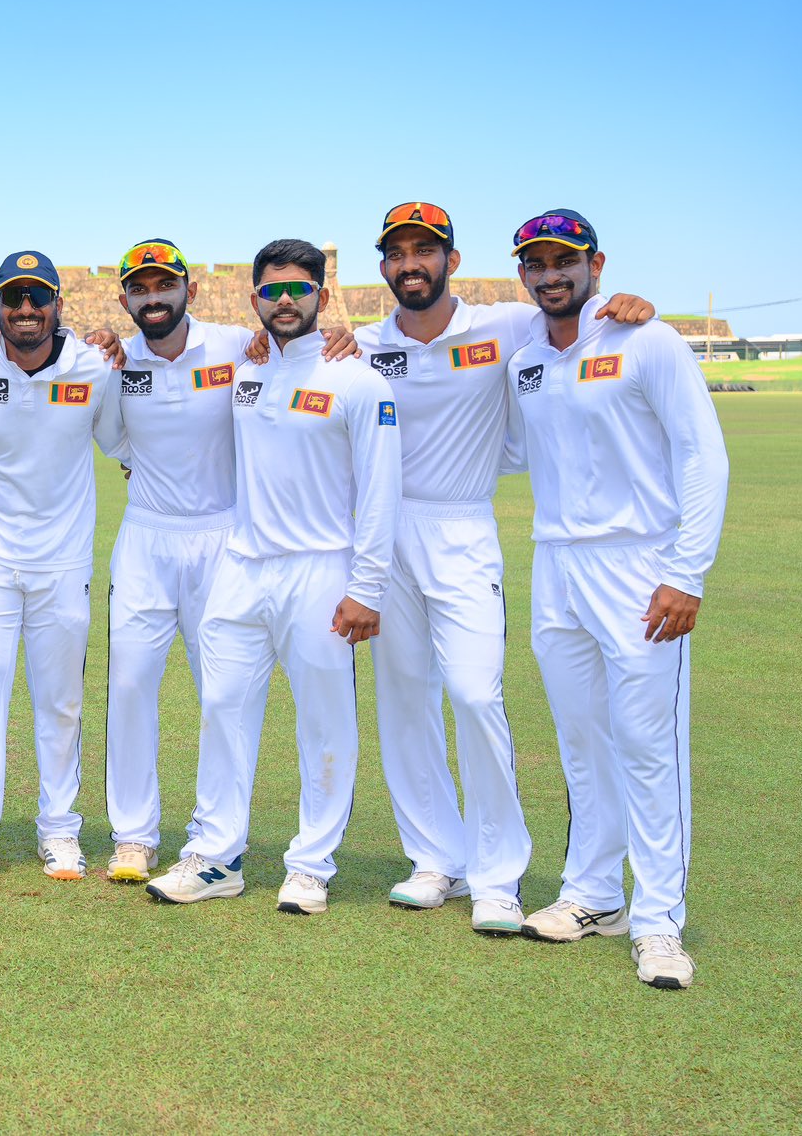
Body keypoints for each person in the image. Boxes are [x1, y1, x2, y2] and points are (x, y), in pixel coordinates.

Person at [357, 202, 651, 932]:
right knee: (404, 700)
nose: (411, 264)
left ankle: (497, 874)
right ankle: (436, 859)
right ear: (385, 267)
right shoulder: (361, 344)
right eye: (398, 253)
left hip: (462, 529)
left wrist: (626, 306)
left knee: (473, 693)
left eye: (425, 250)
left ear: (451, 261)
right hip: (383, 533)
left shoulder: (505, 326)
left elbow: (575, 320)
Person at [505, 210, 727, 989]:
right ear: (523, 274)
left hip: (640, 564)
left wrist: (687, 572)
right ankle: (596, 895)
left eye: (564, 260)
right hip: (557, 567)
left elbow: (702, 453)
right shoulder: (527, 358)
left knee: (646, 743)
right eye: (536, 264)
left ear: (595, 264)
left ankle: (659, 921)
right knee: (582, 741)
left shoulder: (647, 340)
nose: (550, 275)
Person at [146, 238, 400, 915]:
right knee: (222, 709)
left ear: (322, 294)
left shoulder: (358, 380)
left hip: (321, 571)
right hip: (242, 566)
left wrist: (366, 588)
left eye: (299, 289)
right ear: (254, 298)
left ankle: (311, 866)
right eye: (272, 291)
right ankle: (216, 856)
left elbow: (381, 493)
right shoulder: (246, 370)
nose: (285, 301)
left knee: (324, 722)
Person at [0, 251, 127, 891]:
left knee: (60, 703)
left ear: (58, 306)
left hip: (60, 563)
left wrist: (117, 343)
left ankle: (59, 829)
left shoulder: (94, 367)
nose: (26, 309)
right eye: (13, 298)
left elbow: (121, 440)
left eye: (37, 297)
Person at [99, 239, 259, 885]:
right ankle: (133, 836)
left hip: (224, 537)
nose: (154, 298)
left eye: (165, 285)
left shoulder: (236, 345)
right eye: (140, 289)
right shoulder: (115, 361)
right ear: (125, 300)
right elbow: (115, 441)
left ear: (190, 289)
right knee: (130, 685)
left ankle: (218, 839)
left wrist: (338, 337)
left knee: (223, 693)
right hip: (145, 537)